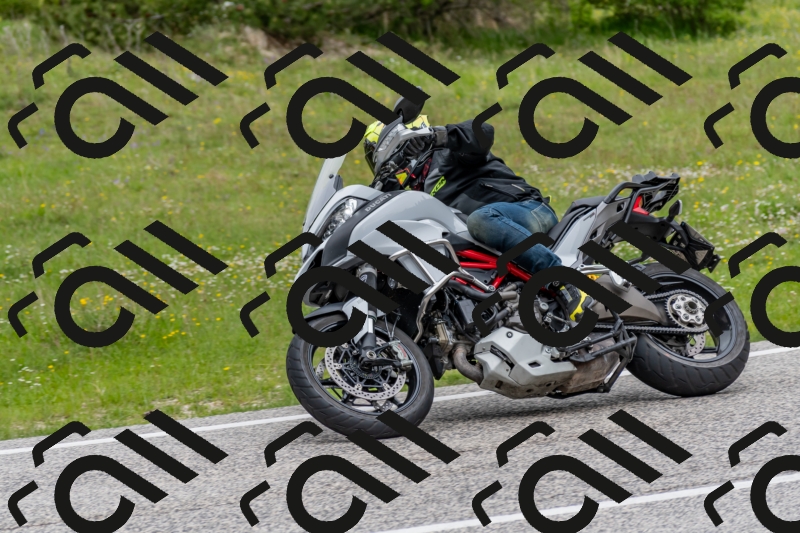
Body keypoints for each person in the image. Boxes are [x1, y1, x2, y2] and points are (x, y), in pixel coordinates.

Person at [363, 117, 591, 321]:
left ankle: (564, 281)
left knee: (481, 219)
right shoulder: (415, 194)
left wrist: (438, 136)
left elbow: (482, 133)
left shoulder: (448, 154)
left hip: (527, 210)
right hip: (491, 243)